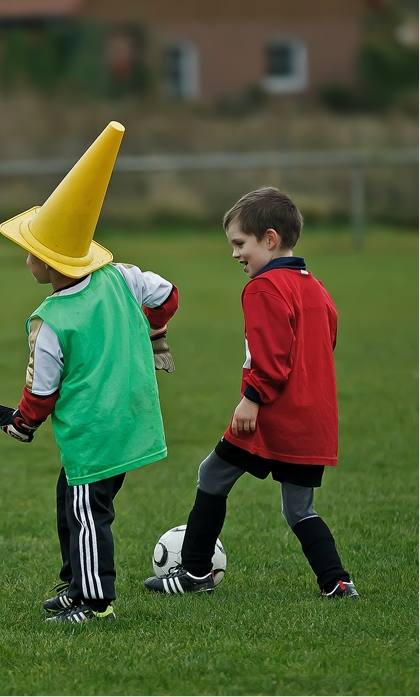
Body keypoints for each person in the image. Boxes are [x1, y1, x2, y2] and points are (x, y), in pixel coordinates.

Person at [0, 122, 177, 624]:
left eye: (31, 251)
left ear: (50, 263)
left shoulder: (49, 322)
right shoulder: (122, 277)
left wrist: (22, 425)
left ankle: (94, 601)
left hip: (93, 432)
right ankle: (76, 583)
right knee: (71, 500)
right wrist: (152, 331)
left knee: (88, 513)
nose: (26, 258)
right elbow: (167, 295)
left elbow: (41, 391)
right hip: (128, 419)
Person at [145, 188, 358, 599]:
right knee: (299, 509)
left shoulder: (263, 288)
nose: (235, 254)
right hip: (313, 420)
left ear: (270, 239)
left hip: (269, 414)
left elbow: (272, 356)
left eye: (240, 244)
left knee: (212, 474)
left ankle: (193, 574)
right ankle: (337, 581)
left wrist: (253, 398)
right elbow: (324, 343)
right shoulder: (315, 286)